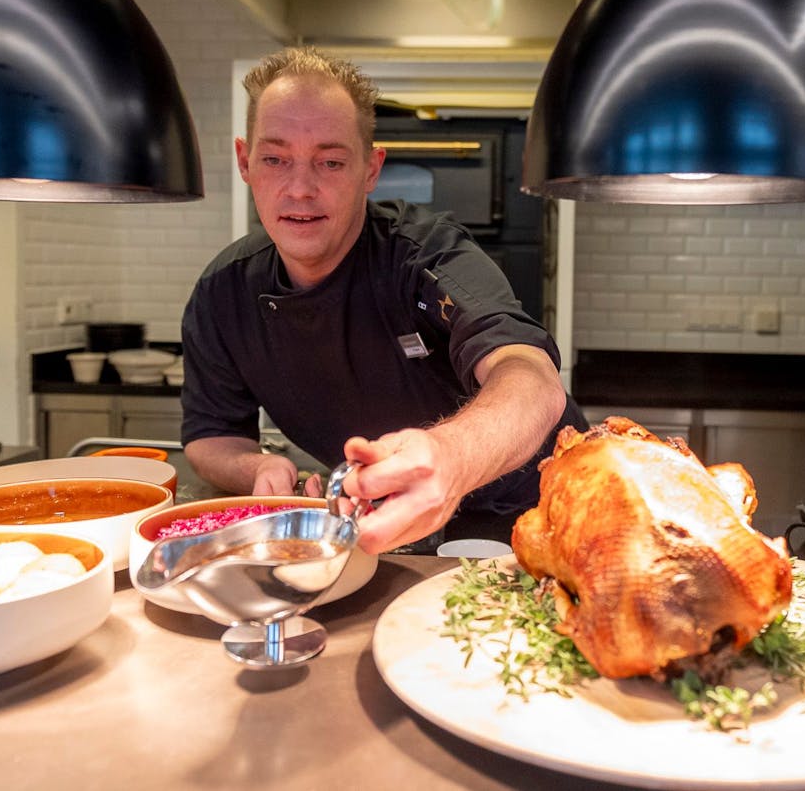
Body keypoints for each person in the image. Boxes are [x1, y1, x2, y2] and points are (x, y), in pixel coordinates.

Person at [180, 46, 587, 554]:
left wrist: (451, 456)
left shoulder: (425, 255)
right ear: (245, 161)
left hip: (540, 516)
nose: (300, 188)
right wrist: (257, 465)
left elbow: (531, 377)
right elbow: (209, 435)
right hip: (392, 534)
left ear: (371, 170)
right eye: (275, 159)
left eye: (330, 162)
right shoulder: (224, 292)